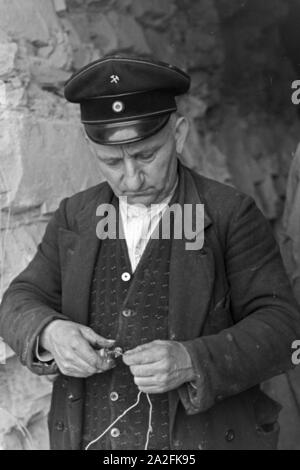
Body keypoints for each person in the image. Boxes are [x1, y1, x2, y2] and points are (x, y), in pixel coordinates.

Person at [0, 56, 299, 451]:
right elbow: (18, 301)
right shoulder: (77, 215)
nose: (131, 177)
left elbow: (282, 327)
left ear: (178, 133)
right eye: (110, 161)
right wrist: (49, 333)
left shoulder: (229, 213)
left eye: (146, 155)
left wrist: (194, 360)